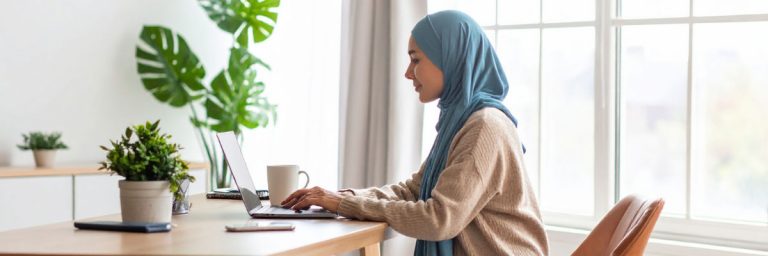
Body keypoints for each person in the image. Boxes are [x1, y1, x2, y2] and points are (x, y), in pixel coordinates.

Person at [281, 10, 548, 256]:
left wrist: (341, 203)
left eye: (415, 59)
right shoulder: (461, 120)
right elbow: (413, 191)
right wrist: (342, 198)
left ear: (450, 57)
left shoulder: (484, 127)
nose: (408, 73)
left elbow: (438, 219)